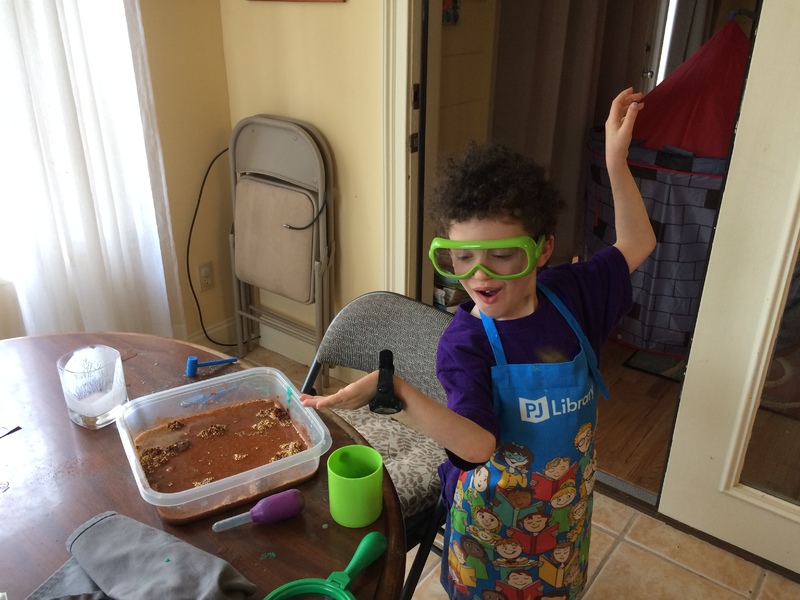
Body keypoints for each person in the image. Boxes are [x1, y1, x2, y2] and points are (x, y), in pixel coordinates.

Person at [301, 88, 656, 599]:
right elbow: (475, 447)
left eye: (501, 255)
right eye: (462, 257)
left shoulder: (573, 294)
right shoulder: (465, 343)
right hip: (491, 524)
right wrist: (396, 391)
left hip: (565, 507)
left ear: (542, 250)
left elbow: (637, 242)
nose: (480, 275)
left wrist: (615, 161)